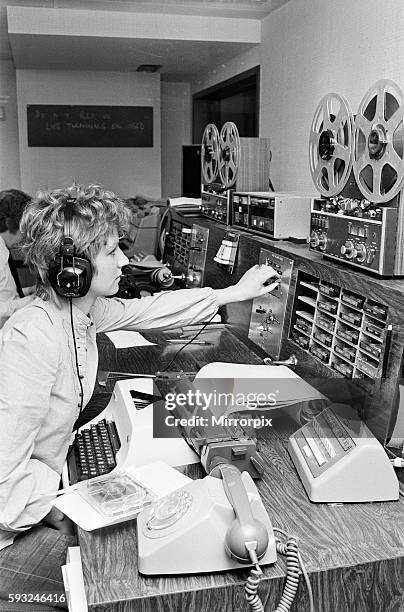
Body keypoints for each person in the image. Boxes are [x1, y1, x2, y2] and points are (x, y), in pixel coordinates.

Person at [0, 184, 280, 610]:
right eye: (111, 252)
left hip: (36, 493)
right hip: (7, 537)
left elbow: (149, 311)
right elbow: (2, 485)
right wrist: (60, 510)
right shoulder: (31, 337)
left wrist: (229, 294)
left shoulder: (79, 312)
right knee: (126, 578)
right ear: (71, 267)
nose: (124, 261)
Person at [0, 189, 35, 328]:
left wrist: (29, 290)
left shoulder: (3, 249)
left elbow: (4, 292)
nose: (26, 235)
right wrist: (31, 300)